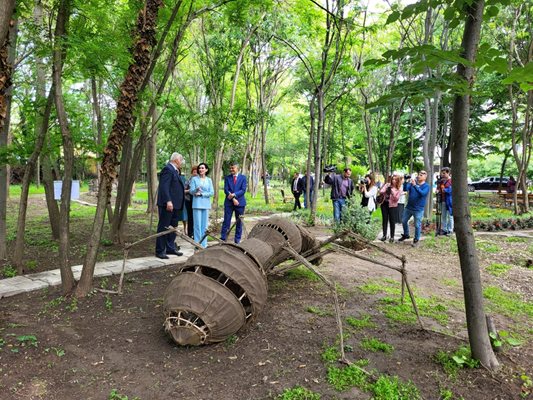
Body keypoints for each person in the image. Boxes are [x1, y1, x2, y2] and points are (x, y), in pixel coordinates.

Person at [155, 152, 185, 259]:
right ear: (176, 160)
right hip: (168, 204)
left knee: (172, 228)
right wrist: (168, 201)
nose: (182, 163)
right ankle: (160, 251)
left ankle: (170, 248)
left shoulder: (176, 171)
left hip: (176, 205)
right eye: (181, 160)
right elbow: (164, 187)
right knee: (164, 227)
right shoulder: (167, 169)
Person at [399, 170, 430, 247]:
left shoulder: (426, 186)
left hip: (418, 209)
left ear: (425, 177)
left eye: (422, 175)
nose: (419, 176)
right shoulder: (413, 183)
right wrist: (406, 181)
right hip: (409, 207)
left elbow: (422, 193)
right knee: (403, 221)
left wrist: (415, 185)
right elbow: (405, 189)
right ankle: (406, 234)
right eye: (419, 174)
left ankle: (416, 239)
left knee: (417, 225)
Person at [188, 163, 214, 248]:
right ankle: (197, 243)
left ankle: (204, 243)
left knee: (204, 225)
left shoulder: (209, 180)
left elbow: (211, 192)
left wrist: (202, 194)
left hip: (206, 204)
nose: (201, 170)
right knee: (197, 225)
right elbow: (191, 191)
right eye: (200, 168)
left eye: (202, 168)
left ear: (206, 170)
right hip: (197, 204)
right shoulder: (194, 179)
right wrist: (196, 189)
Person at [221, 162, 247, 244]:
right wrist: (233, 198)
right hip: (229, 203)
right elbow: (226, 189)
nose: (231, 169)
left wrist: (234, 195)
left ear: (237, 169)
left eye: (233, 168)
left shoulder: (243, 178)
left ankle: (237, 241)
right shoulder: (227, 178)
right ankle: (223, 238)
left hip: (240, 203)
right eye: (230, 168)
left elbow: (243, 190)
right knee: (226, 221)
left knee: (239, 221)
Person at [379, 174, 402, 242]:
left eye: (395, 180)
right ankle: (384, 235)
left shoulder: (399, 189)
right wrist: (386, 189)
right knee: (384, 220)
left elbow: (396, 199)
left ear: (397, 181)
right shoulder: (387, 185)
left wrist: (392, 192)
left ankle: (392, 237)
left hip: (393, 206)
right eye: (393, 179)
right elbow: (381, 191)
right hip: (384, 204)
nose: (393, 181)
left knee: (392, 221)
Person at [437, 167, 453, 235]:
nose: (442, 174)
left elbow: (451, 190)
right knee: (443, 215)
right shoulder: (442, 181)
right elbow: (439, 189)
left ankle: (450, 230)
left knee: (450, 215)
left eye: (444, 173)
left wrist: (445, 190)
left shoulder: (451, 181)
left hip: (449, 200)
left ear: (448, 173)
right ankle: (444, 229)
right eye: (442, 173)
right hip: (443, 200)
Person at [184, 165, 198, 238]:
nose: (195, 173)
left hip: (197, 201)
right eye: (194, 172)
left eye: (196, 172)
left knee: (196, 217)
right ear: (192, 172)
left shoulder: (200, 180)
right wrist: (190, 191)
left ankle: (196, 233)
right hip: (189, 200)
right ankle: (190, 233)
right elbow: (183, 190)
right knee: (190, 217)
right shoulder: (188, 180)